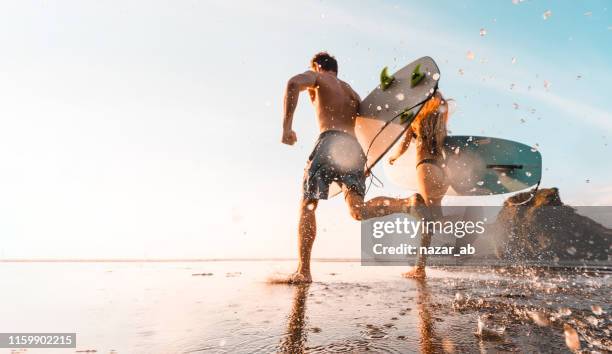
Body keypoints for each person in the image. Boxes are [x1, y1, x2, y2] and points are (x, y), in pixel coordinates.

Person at [280, 52, 420, 283]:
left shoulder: (318, 77)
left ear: (317, 66)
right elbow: (370, 126)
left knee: (308, 204)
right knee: (358, 210)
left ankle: (303, 270)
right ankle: (406, 204)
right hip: (354, 149)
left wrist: (287, 127)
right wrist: (368, 160)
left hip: (330, 141)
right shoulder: (352, 93)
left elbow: (293, 83)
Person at [388, 91, 451, 278]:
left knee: (431, 220)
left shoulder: (416, 120)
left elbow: (403, 146)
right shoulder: (440, 121)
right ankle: (420, 267)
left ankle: (420, 268)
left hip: (426, 169)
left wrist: (393, 157)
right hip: (442, 173)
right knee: (432, 219)